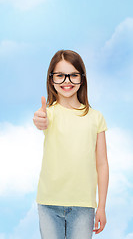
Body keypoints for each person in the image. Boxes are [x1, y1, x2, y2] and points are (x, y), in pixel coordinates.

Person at [33, 49, 109, 239]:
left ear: (82, 79)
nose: (67, 81)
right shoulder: (48, 114)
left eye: (73, 75)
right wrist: (39, 119)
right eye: (60, 75)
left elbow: (102, 164)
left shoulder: (95, 117)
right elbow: (40, 121)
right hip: (49, 202)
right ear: (51, 79)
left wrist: (102, 206)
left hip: (84, 205)